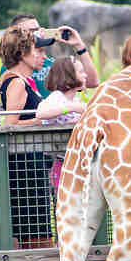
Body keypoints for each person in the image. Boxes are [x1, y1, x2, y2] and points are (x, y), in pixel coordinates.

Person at [0, 27, 55, 261]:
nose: (43, 56)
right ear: (22, 53)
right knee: (38, 240)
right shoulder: (17, 83)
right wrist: (42, 119)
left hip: (32, 164)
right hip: (26, 169)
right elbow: (11, 123)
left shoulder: (19, 80)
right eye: (38, 50)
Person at [6, 14, 99, 97]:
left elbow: (92, 82)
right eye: (32, 31)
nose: (37, 34)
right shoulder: (12, 69)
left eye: (38, 30)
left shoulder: (49, 63)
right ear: (16, 35)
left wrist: (79, 46)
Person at [36, 57, 88, 192]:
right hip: (61, 163)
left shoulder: (75, 99)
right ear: (69, 75)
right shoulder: (57, 97)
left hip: (75, 161)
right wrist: (70, 108)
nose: (85, 75)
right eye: (81, 72)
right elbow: (41, 113)